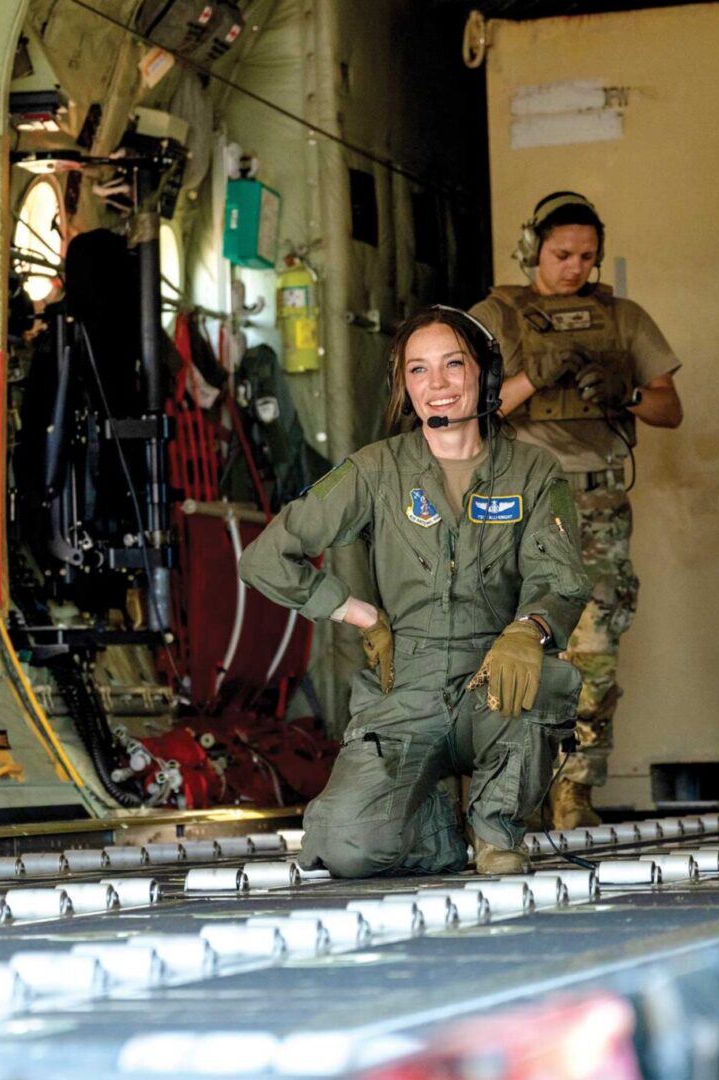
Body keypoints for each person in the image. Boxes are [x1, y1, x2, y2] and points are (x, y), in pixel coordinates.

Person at [238, 307, 591, 876]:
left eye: (453, 365)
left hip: (494, 675)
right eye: (419, 370)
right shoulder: (376, 470)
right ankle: (439, 829)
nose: (438, 386)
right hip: (405, 685)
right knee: (346, 847)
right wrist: (356, 612)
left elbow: (561, 578)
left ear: (486, 375)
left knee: (542, 677)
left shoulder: (533, 471)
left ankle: (497, 832)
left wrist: (530, 629)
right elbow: (265, 557)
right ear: (404, 385)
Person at [470, 192, 684, 830]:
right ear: (532, 248)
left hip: (596, 504)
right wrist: (535, 376)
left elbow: (670, 408)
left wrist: (629, 392)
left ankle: (575, 793)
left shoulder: (622, 318)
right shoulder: (495, 317)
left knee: (593, 655)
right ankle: (512, 796)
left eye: (587, 256)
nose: (575, 268)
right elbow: (467, 414)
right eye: (562, 254)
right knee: (511, 650)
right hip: (519, 508)